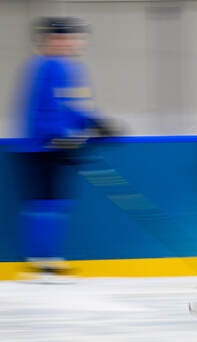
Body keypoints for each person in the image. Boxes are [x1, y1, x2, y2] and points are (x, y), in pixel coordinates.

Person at [12, 17, 115, 280]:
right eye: (62, 38)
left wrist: (96, 122)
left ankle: (51, 258)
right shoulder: (41, 67)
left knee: (59, 202)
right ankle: (38, 261)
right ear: (49, 40)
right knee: (42, 202)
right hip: (40, 149)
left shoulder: (72, 69)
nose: (69, 42)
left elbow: (77, 107)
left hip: (60, 147)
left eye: (72, 38)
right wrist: (58, 138)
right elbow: (39, 111)